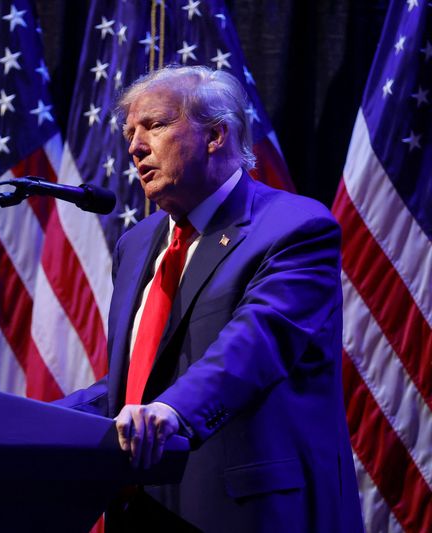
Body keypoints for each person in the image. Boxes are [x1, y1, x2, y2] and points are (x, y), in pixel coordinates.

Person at [56, 65, 364, 532]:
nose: (135, 147)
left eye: (155, 125)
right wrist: (38, 418)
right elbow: (138, 382)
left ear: (217, 134)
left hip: (248, 512)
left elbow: (254, 344)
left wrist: (173, 411)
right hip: (139, 509)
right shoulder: (137, 244)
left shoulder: (295, 228)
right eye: (130, 132)